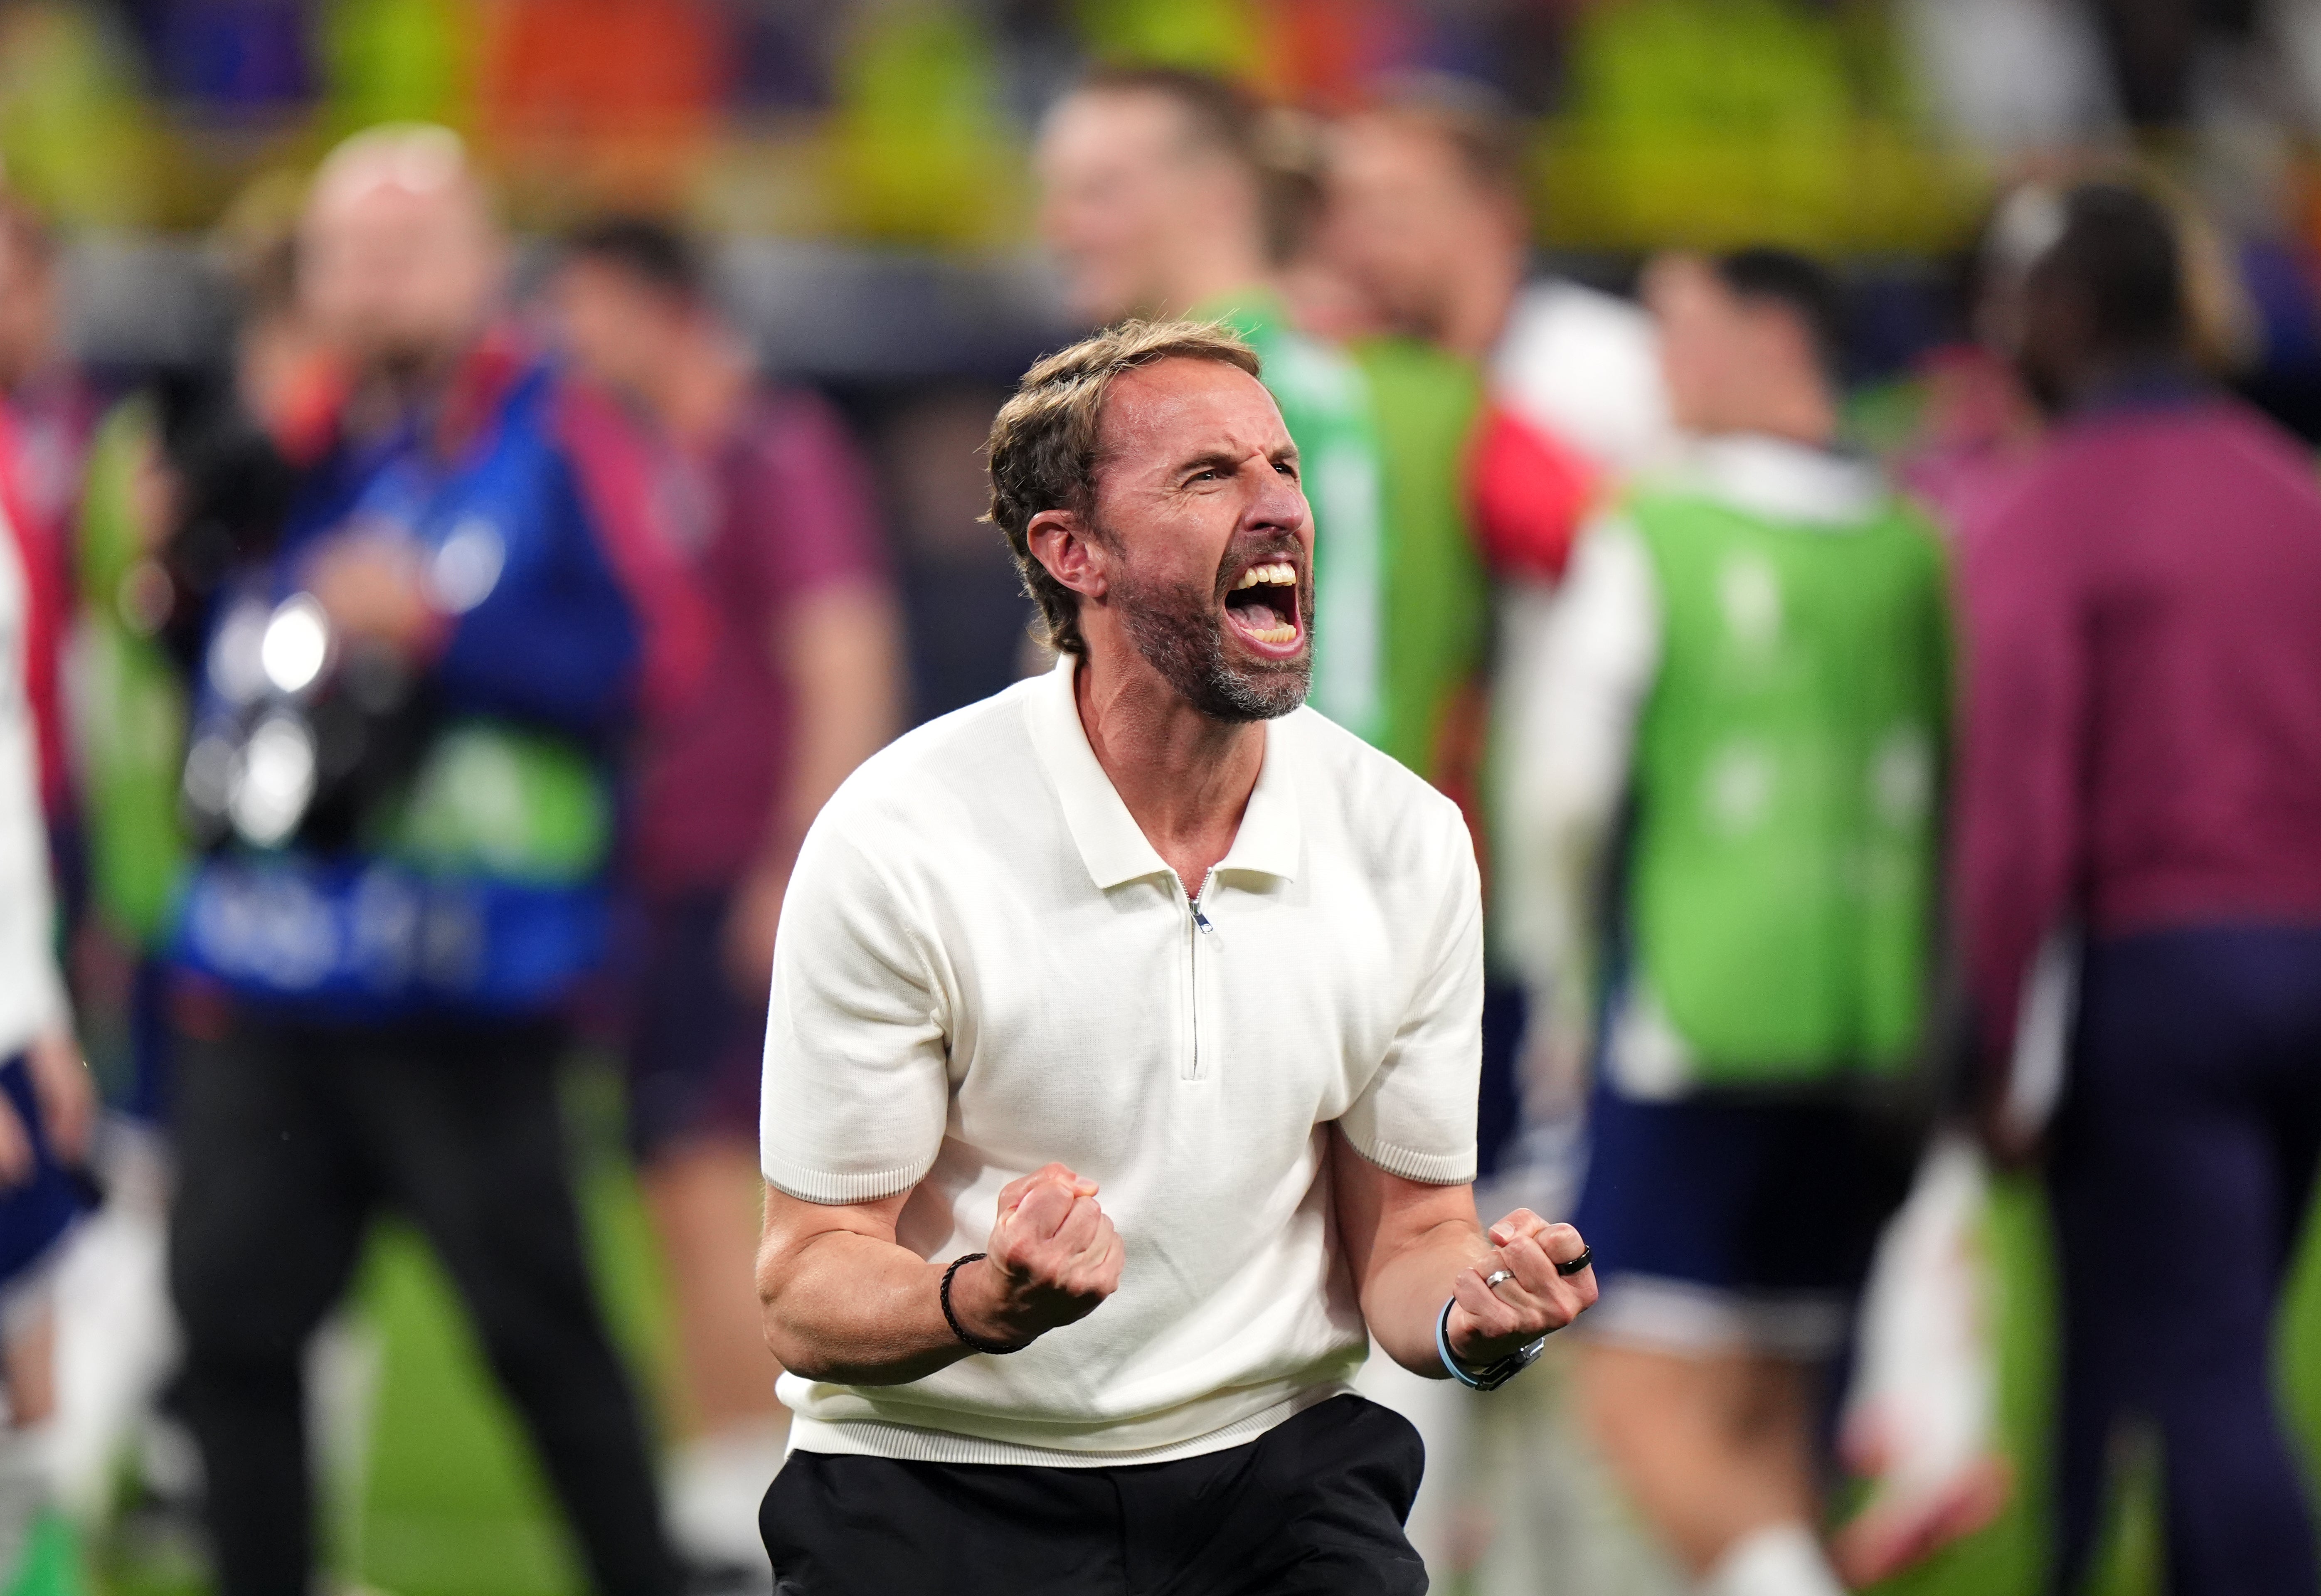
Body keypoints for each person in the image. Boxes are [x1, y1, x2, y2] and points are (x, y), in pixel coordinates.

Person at [751, 319, 1598, 1594]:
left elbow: (1414, 1240)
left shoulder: (1407, 839)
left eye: (1286, 470)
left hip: (1274, 1477)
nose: (1282, 510)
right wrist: (983, 1299)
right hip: (936, 1477)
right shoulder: (902, 837)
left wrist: (1469, 1318)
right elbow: (810, 1277)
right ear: (1071, 553)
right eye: (1211, 477)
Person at [163, 126, 685, 1596]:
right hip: (269, 976)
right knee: (230, 1336)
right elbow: (175, 644)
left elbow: (654, 661)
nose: (374, 282)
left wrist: (444, 634)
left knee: (543, 1349)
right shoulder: (279, 445)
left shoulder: (567, 431)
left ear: (482, 264)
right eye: (348, 251)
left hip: (469, 990)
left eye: (408, 248)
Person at [1510, 250, 1945, 1596]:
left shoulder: (1654, 527)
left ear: (1773, 339)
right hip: (1867, 1030)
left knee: (1633, 1403)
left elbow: (1564, 791)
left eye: (1683, 332)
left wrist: (1564, 989)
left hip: (1688, 1020)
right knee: (1766, 1421)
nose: (1660, 368)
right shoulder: (1906, 543)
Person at [1958, 182, 2321, 1596]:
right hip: (2303, 964)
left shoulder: (2045, 508)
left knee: (2200, 1373)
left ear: (2067, 312)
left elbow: (2014, 811)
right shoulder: (2291, 489)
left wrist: (1990, 1041)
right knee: (2207, 1337)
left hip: (2157, 978)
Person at [552, 217, 902, 1587]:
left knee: (742, 1197)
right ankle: (717, 1481)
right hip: (652, 882)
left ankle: (758, 1496)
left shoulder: (775, 449)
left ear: (658, 307)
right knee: (671, 1186)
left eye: (583, 307)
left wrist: (797, 869)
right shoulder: (643, 461)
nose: (566, 340)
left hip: (741, 882)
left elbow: (844, 658)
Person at [1035, 66, 1395, 745]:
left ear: (1215, 197)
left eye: (1099, 193)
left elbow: (1337, 680)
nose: (1060, 226)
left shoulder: (1282, 396)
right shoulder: (1129, 396)